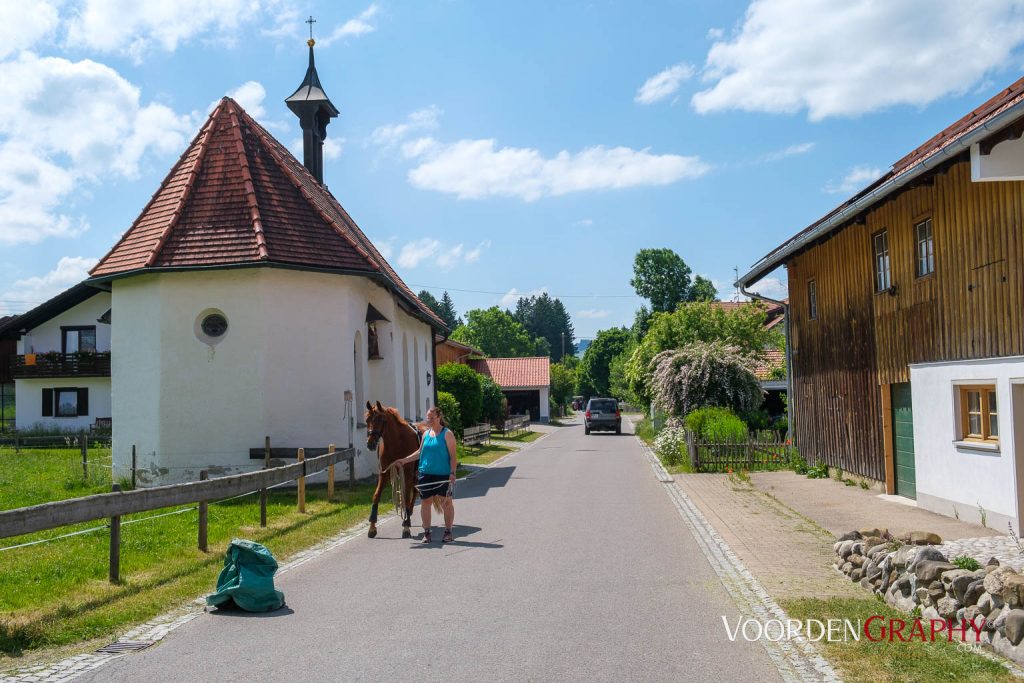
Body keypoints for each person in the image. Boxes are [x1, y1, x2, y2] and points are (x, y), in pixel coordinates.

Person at [388, 405, 457, 543]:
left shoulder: (447, 434)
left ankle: (448, 532)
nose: (429, 420)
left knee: (446, 503)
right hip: (425, 474)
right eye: (428, 418)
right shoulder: (426, 434)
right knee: (426, 502)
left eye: (432, 418)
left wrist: (452, 473)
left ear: (439, 417)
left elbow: (453, 456)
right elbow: (420, 452)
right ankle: (427, 533)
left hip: (443, 475)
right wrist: (404, 460)